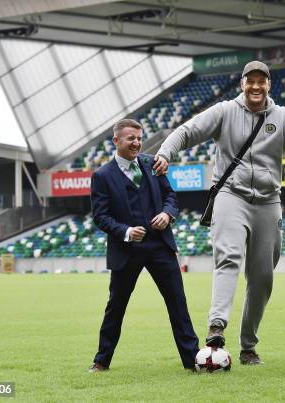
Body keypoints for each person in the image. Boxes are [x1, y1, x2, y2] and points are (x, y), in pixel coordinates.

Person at [153, 61, 285, 365]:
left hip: (268, 201)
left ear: (269, 85)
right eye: (249, 81)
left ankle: (248, 346)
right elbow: (187, 131)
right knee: (229, 256)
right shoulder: (224, 111)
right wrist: (165, 152)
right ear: (242, 84)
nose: (255, 87)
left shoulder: (283, 117)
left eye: (261, 82)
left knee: (262, 277)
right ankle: (216, 326)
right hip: (230, 194)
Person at [89, 119, 199, 372]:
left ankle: (192, 360)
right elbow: (100, 216)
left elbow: (170, 196)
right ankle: (101, 360)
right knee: (116, 307)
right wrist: (126, 231)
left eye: (139, 138)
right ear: (116, 141)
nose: (137, 143)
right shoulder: (102, 176)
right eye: (131, 138)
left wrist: (167, 214)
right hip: (126, 250)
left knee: (178, 303)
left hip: (160, 245)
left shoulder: (152, 164)